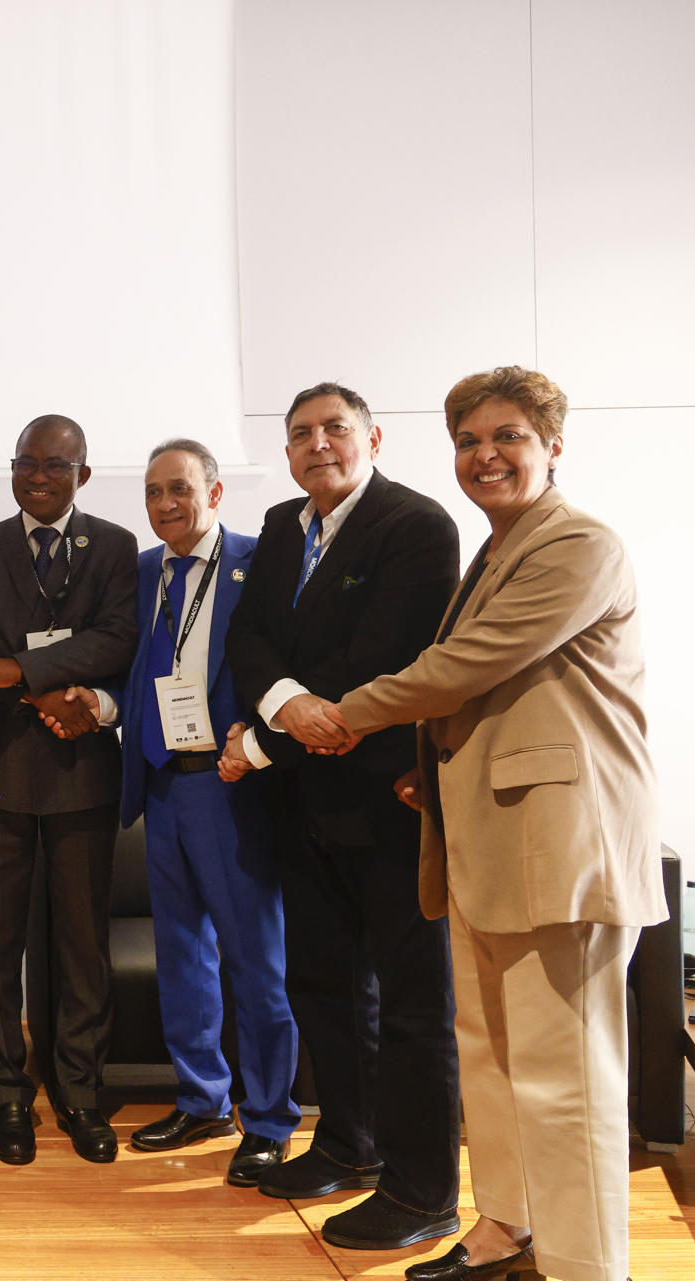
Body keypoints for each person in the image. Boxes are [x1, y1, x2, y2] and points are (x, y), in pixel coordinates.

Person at [309, 367, 666, 1281]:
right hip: (485, 841)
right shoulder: (495, 549)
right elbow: (505, 697)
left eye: (506, 436)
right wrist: (432, 775)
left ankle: (584, 1266)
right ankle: (506, 1229)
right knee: (496, 1064)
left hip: (561, 851)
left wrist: (341, 712)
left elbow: (466, 665)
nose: (484, 456)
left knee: (566, 1081)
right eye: (468, 441)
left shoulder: (578, 542)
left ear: (552, 445)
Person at [222, 382, 463, 1250]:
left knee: (411, 1002)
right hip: (305, 796)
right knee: (322, 984)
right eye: (300, 434)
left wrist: (283, 727)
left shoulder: (418, 524)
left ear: (373, 437)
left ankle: (424, 1188)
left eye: (334, 428)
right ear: (286, 453)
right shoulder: (285, 526)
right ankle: (347, 1145)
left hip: (390, 795)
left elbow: (392, 656)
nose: (317, 443)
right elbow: (249, 639)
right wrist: (288, 708)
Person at [43, 439, 299, 1183]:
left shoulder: (258, 561)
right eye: (154, 491)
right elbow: (138, 673)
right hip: (160, 782)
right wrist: (103, 703)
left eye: (180, 488)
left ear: (214, 493)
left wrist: (260, 739)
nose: (165, 504)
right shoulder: (142, 571)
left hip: (233, 784)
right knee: (182, 954)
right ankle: (202, 1097)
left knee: (255, 957)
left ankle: (271, 1118)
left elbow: (287, 670)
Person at [0, 414, 139, 1164]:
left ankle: (80, 1091)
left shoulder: (118, 546)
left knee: (82, 943)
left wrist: (27, 674)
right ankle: (6, 1093)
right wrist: (41, 695)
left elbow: (118, 637)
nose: (39, 475)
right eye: (27, 461)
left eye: (56, 465)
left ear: (82, 475)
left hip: (83, 771)